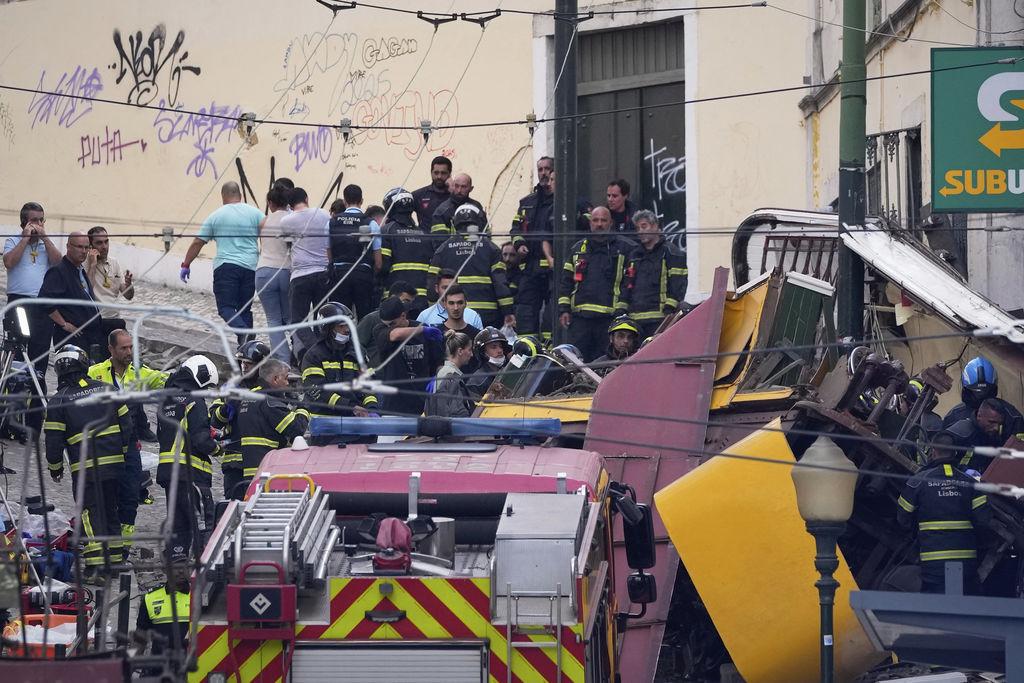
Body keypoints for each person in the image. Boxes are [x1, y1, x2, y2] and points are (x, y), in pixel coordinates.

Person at [44, 344, 132, 578]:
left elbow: (53, 440)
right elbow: (127, 424)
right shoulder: (106, 388)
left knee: (90, 514)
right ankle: (114, 562)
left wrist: (55, 467)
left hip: (87, 470)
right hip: (114, 465)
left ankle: (97, 566)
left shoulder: (59, 401)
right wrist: (122, 450)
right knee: (111, 510)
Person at [88, 330, 168, 548]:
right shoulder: (94, 373)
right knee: (104, 495)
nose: (129, 352)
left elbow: (165, 381)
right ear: (111, 350)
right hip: (102, 445)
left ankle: (123, 546)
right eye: (123, 348)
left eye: (131, 347)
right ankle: (103, 541)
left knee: (131, 495)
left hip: (129, 445)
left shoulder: (140, 374)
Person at [897, 429, 991, 594]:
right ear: (954, 453)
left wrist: (917, 532)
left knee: (936, 607)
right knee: (967, 606)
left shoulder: (917, 482)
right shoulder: (970, 483)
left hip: (933, 562)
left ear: (933, 451)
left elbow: (902, 518)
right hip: (966, 561)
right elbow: (983, 521)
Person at [181, 182, 263, 345]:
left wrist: (186, 264)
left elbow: (198, 242)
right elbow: (269, 233)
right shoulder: (255, 213)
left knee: (225, 308)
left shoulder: (216, 215)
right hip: (250, 268)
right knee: (244, 309)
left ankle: (245, 335)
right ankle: (247, 348)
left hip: (226, 267)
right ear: (239, 194)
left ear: (223, 196)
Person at [3, 201, 61, 433]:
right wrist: (26, 238)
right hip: (18, 303)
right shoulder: (13, 241)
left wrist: (45, 238)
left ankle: (34, 424)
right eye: (33, 220)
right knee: (14, 364)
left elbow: (59, 263)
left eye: (41, 220)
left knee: (39, 365)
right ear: (24, 222)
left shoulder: (47, 246)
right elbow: (9, 262)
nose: (37, 224)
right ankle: (9, 422)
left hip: (41, 308)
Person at [157, 355, 222, 559]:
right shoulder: (194, 400)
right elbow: (200, 440)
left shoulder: (166, 399)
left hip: (169, 471)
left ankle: (176, 560)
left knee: (178, 521)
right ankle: (204, 563)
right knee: (202, 521)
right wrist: (218, 448)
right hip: (191, 472)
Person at [557, 207, 634, 362]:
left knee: (604, 362)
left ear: (611, 223)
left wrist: (621, 309)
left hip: (608, 318)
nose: (599, 224)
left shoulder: (625, 248)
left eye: (603, 220)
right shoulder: (578, 248)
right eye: (595, 220)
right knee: (577, 361)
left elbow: (629, 282)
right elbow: (566, 280)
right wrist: (564, 309)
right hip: (580, 319)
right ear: (590, 223)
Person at [301, 302, 379, 444]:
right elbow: (318, 392)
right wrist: (351, 407)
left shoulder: (358, 352)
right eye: (341, 326)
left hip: (357, 428)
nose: (346, 330)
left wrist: (371, 408)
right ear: (328, 329)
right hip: (327, 428)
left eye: (348, 325)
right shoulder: (314, 356)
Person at [428, 204, 515, 329]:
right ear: (479, 222)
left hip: (455, 312)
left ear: (455, 223)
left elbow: (432, 284)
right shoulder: (491, 248)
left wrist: (434, 309)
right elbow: (500, 283)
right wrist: (508, 312)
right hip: (487, 313)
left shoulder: (443, 249)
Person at [38, 232, 113, 359]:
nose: (84, 251)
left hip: (90, 334)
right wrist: (64, 324)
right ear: (68, 246)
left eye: (86, 247)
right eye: (79, 247)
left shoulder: (79, 269)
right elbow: (45, 301)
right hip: (72, 337)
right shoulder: (59, 271)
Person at [210, 340, 269, 500]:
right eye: (242, 362)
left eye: (249, 363)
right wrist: (229, 406)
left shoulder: (271, 388)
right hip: (234, 461)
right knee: (232, 507)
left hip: (263, 460)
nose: (244, 367)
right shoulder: (230, 388)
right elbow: (214, 420)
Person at [238, 359, 309, 486]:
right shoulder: (270, 403)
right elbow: (296, 429)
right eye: (286, 378)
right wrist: (303, 408)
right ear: (276, 379)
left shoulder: (249, 397)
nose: (288, 383)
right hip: (269, 471)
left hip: (250, 471)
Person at [620, 210, 688, 338]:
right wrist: (622, 308)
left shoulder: (671, 252)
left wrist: (670, 308)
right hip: (635, 320)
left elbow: (678, 284)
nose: (640, 231)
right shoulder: (634, 255)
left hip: (659, 319)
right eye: (638, 228)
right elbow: (626, 284)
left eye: (644, 226)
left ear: (656, 226)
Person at [282, 187, 332, 360]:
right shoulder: (324, 214)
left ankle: (315, 350)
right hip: (323, 272)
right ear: (307, 198)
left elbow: (286, 245)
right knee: (322, 317)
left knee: (298, 320)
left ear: (290, 204)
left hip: (300, 275)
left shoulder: (286, 221)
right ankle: (324, 350)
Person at [373, 296, 444, 417]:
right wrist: (423, 330)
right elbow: (394, 335)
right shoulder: (380, 330)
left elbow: (438, 361)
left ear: (403, 315)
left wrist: (436, 378)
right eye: (387, 324)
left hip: (421, 403)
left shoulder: (421, 330)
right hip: (394, 405)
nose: (389, 327)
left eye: (392, 323)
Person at [510, 156, 555, 339]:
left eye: (547, 169)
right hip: (530, 267)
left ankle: (550, 350)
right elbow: (515, 228)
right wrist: (519, 244)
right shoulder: (526, 202)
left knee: (552, 314)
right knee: (526, 312)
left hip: (554, 269)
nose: (543, 173)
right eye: (540, 169)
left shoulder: (565, 202)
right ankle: (527, 350)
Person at [327, 184, 382, 319]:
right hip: (363, 275)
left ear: (344, 201)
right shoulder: (371, 223)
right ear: (362, 201)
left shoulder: (331, 222)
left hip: (339, 276)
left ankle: (340, 340)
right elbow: (379, 263)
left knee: (340, 318)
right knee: (365, 317)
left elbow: (328, 254)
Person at [380, 187, 435, 316]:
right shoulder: (425, 234)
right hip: (422, 298)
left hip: (396, 299)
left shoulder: (387, 231)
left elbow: (383, 266)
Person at [255, 185, 292, 363]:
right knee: (291, 318)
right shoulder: (291, 219)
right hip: (286, 271)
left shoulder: (263, 221)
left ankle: (283, 360)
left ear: (270, 202)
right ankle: (301, 353)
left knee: (273, 319)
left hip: (264, 271)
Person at [136, 549, 190, 666]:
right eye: (176, 567)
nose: (181, 571)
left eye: (184, 566)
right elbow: (140, 640)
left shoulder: (200, 596)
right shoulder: (150, 599)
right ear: (164, 570)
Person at [943, 357, 1024, 433]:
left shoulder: (1013, 418)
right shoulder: (954, 417)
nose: (981, 401)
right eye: (977, 394)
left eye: (986, 394)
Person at [945, 398, 1012, 474]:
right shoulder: (960, 433)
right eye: (991, 422)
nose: (996, 428)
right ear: (979, 416)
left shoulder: (994, 437)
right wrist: (963, 471)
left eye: (999, 424)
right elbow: (940, 463)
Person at [358, 281, 417, 366]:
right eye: (405, 301)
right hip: (375, 374)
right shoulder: (372, 319)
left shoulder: (409, 321)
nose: (408, 306)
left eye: (411, 302)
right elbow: (356, 344)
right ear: (393, 298)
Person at [425, 331, 476, 418]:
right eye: (469, 350)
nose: (471, 354)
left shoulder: (442, 372)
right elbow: (457, 413)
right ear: (460, 351)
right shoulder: (451, 375)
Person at [432, 284, 481, 372]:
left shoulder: (477, 334)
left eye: (460, 303)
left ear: (466, 303)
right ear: (445, 304)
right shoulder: (437, 334)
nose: (456, 308)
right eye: (451, 303)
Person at [417, 269, 485, 329]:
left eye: (453, 287)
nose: (449, 291)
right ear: (436, 288)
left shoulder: (472, 316)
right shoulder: (425, 316)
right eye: (445, 287)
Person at [85, 226, 134, 305]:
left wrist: (129, 285)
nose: (104, 247)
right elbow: (86, 293)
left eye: (106, 242)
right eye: (99, 243)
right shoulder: (84, 264)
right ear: (90, 246)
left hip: (115, 316)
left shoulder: (114, 262)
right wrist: (93, 265)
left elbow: (128, 296)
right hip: (95, 316)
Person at [466, 327, 511, 399]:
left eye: (501, 346)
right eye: (494, 347)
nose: (499, 350)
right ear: (483, 353)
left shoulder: (511, 370)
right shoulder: (476, 382)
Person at [412, 155, 452, 230]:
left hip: (449, 240)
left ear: (449, 174)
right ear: (431, 172)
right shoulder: (419, 195)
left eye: (443, 173)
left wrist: (453, 191)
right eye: (436, 173)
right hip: (424, 240)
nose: (439, 176)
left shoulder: (455, 196)